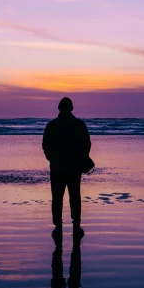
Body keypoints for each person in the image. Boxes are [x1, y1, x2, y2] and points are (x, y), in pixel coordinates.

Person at [42, 97, 91, 231]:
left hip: (57, 167)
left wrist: (51, 159)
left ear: (59, 108)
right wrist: (82, 157)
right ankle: (76, 223)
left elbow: (45, 145)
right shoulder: (79, 124)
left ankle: (57, 224)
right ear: (71, 108)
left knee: (57, 197)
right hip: (74, 167)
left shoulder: (52, 125)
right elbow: (87, 144)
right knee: (75, 195)